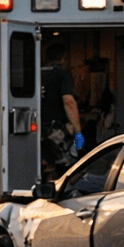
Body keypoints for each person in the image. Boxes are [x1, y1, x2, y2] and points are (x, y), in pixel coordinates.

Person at [41, 41, 84, 178]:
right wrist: (78, 132)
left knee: (43, 167)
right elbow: (69, 102)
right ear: (64, 58)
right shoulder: (61, 74)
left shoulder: (35, 73)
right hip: (55, 132)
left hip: (36, 130)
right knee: (67, 170)